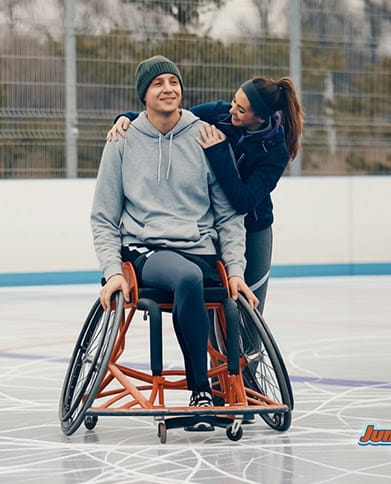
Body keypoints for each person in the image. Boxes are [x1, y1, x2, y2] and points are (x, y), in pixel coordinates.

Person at [91, 55, 258, 416]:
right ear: (143, 95)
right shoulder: (122, 141)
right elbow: (103, 217)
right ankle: (201, 390)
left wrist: (236, 272)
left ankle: (224, 383)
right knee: (187, 276)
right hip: (146, 251)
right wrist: (113, 273)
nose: (168, 89)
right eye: (158, 83)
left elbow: (229, 216)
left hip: (199, 249)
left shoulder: (206, 137)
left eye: (174, 82)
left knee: (194, 274)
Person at [107, 76, 304, 315]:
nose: (231, 109)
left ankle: (251, 353)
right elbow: (171, 118)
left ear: (260, 118)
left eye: (240, 110)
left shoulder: (275, 151)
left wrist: (219, 153)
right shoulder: (219, 114)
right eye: (233, 101)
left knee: (248, 309)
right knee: (212, 309)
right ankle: (216, 354)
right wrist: (127, 118)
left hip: (253, 226)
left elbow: (243, 201)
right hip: (213, 225)